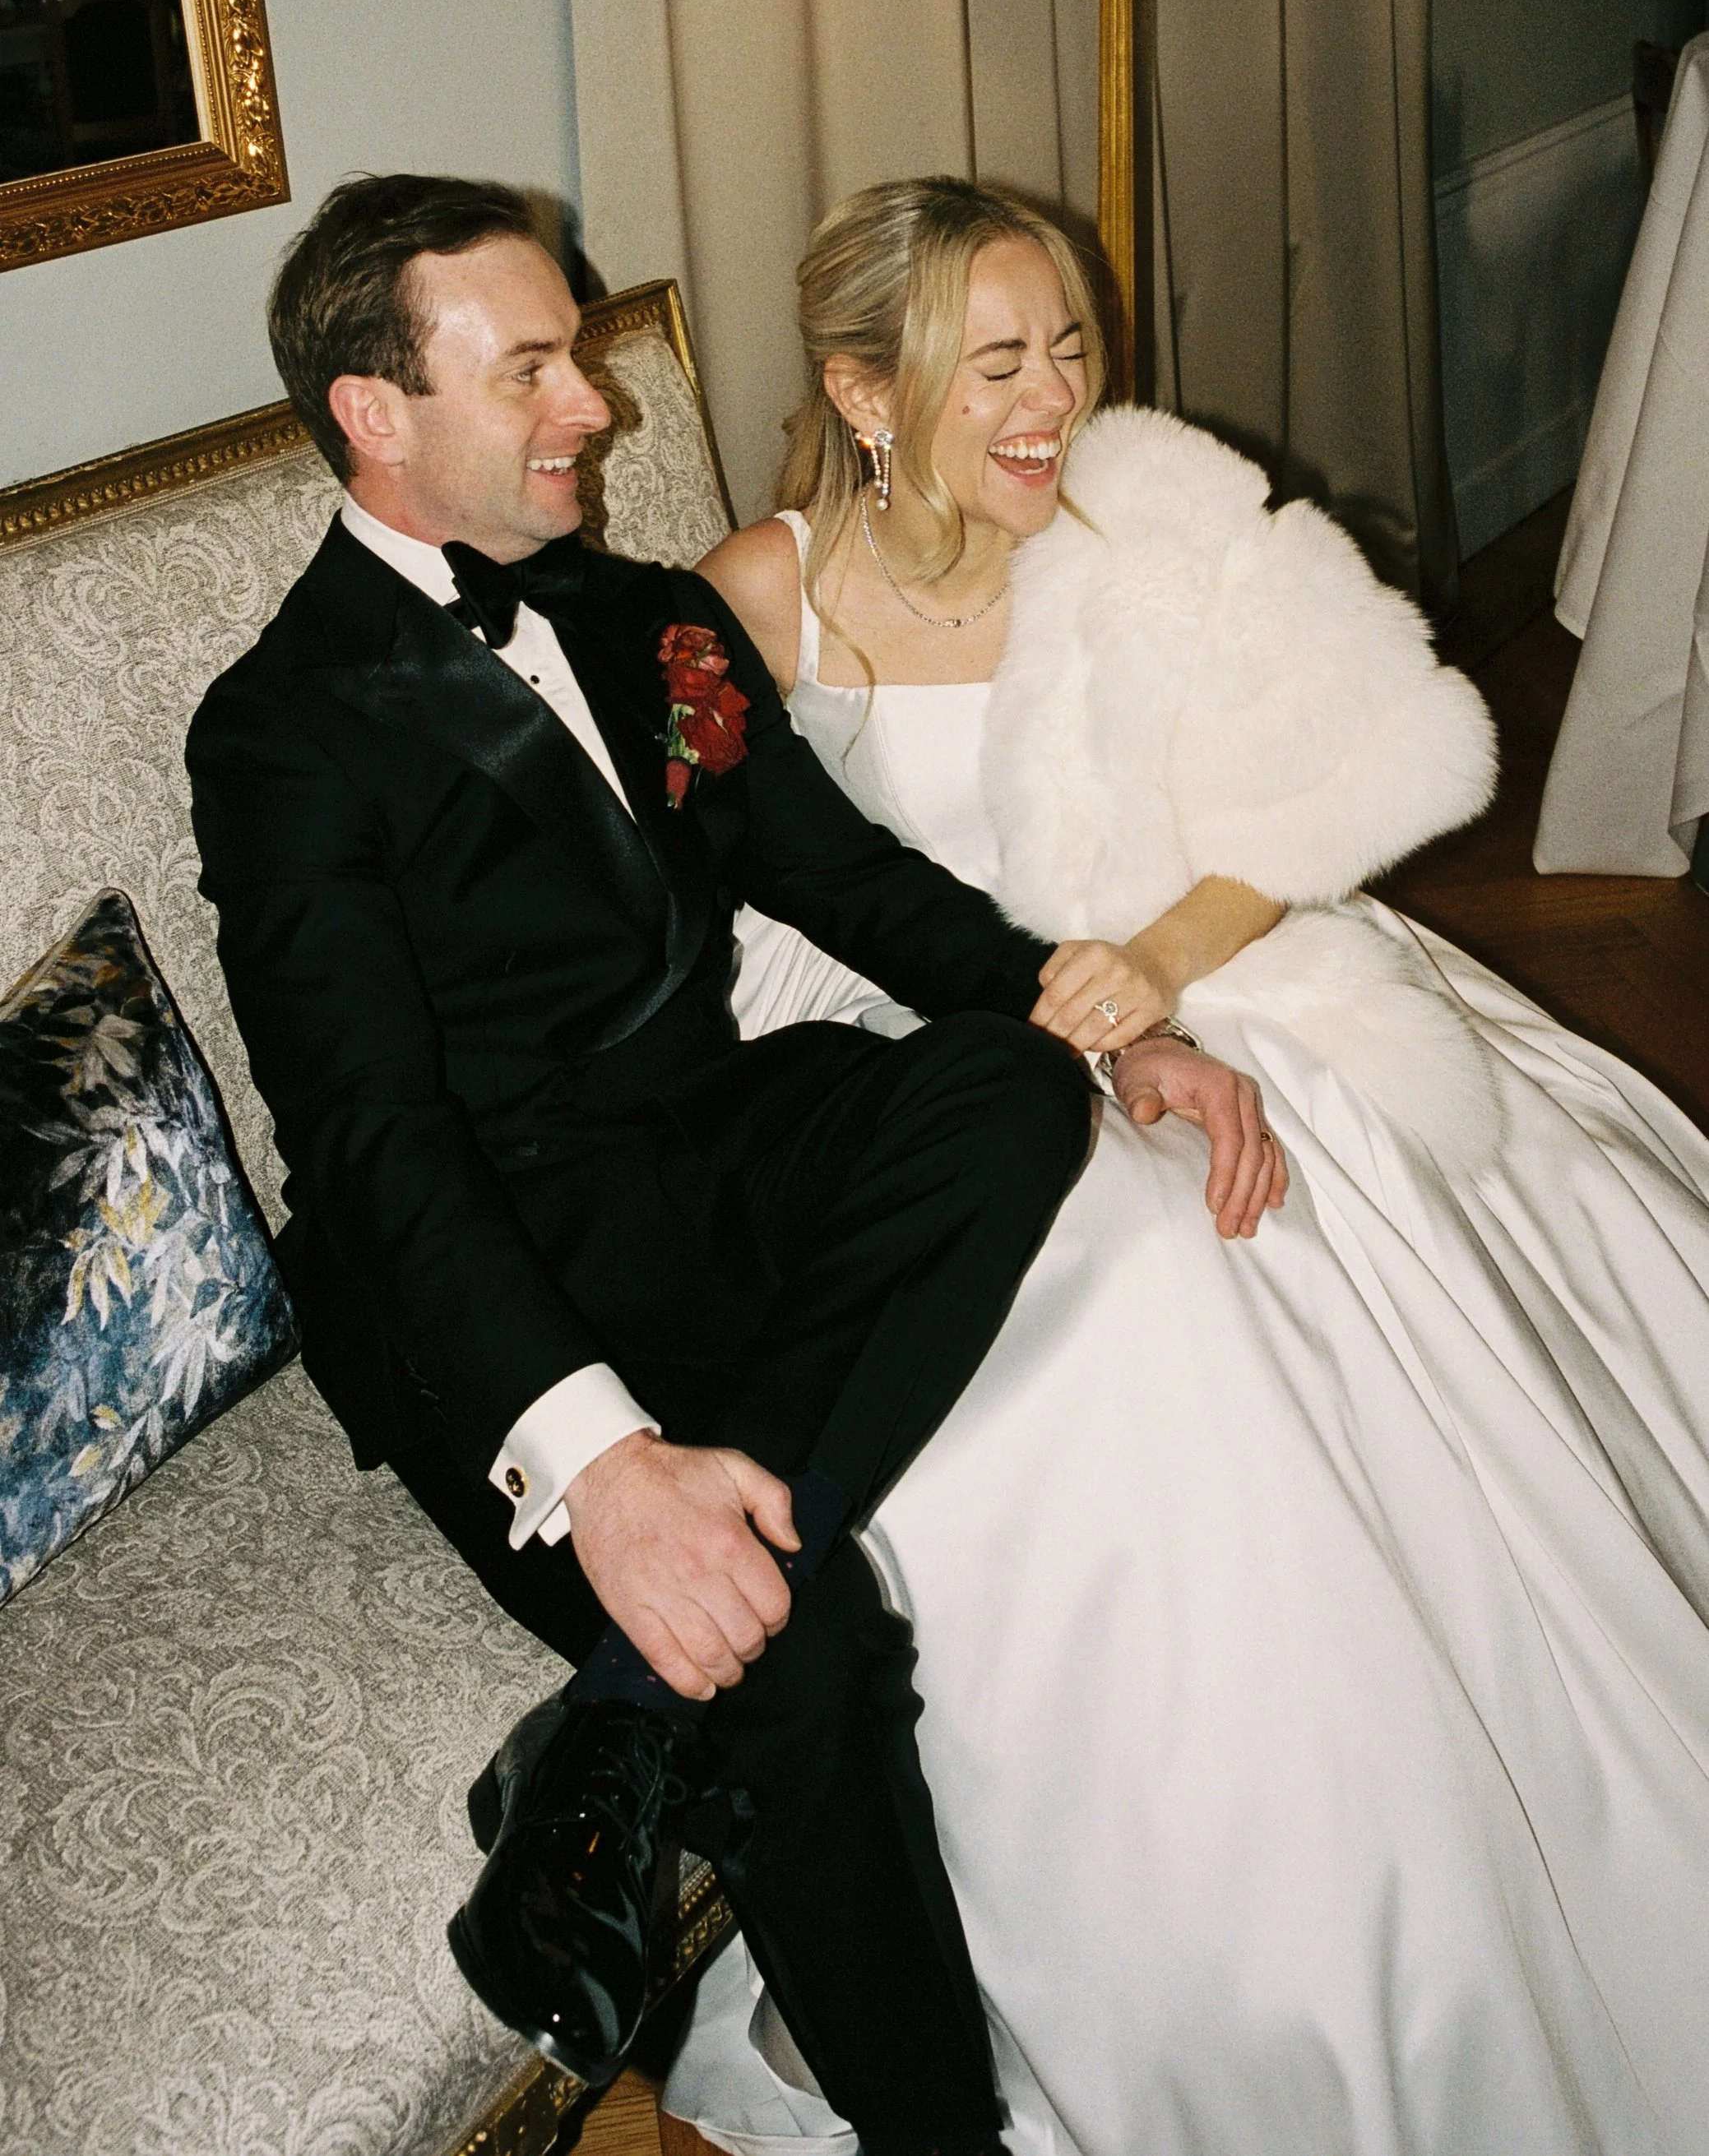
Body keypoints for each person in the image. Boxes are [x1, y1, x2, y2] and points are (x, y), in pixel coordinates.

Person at [184, 173, 1274, 2155]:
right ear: (374, 408)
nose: (592, 404)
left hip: (714, 1131)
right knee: (800, 1638)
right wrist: (602, 1463)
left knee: (1004, 1086)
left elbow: (841, 879)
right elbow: (370, 1138)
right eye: (529, 367)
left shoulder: (654, 614)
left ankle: (609, 1720)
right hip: (490, 1258)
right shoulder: (280, 730)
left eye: (580, 354)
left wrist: (1125, 1022)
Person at [684, 174, 1709, 2156]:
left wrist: (1155, 961)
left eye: (1071, 340)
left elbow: (1389, 757)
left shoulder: (1150, 509)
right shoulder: (756, 592)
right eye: (997, 358)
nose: (1055, 392)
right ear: (863, 389)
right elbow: (713, 886)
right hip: (912, 1044)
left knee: (1258, 1266)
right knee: (1094, 1313)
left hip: (1205, 965)